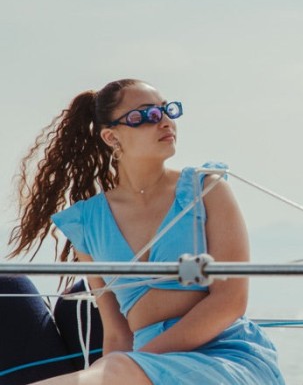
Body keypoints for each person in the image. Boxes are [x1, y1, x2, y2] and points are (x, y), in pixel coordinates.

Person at [8, 79, 284, 384]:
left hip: (224, 354)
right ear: (111, 136)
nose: (165, 121)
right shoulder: (87, 223)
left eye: (168, 111)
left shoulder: (207, 190)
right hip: (139, 366)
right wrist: (126, 363)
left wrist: (134, 360)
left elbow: (230, 301)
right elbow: (117, 333)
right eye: (148, 115)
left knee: (112, 370)